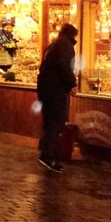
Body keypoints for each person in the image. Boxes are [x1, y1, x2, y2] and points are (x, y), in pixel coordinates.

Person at [37, 23, 78, 173]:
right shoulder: (65, 45)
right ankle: (48, 156)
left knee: (49, 122)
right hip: (55, 90)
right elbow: (65, 66)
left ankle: (46, 153)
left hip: (46, 89)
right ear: (73, 34)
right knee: (56, 123)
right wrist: (73, 83)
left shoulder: (54, 44)